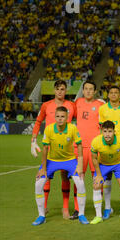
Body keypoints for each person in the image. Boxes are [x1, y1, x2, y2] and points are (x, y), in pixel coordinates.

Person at [32, 106, 88, 225]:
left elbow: (79, 145)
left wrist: (80, 165)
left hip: (69, 160)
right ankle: (41, 216)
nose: (60, 119)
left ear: (67, 117)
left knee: (80, 183)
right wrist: (43, 168)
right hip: (51, 161)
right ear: (54, 117)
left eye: (62, 116)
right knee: (38, 184)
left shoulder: (72, 128)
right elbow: (45, 149)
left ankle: (82, 214)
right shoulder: (49, 129)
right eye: (57, 116)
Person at [31, 80, 77, 219]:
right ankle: (44, 208)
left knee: (65, 176)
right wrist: (33, 139)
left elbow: (80, 120)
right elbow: (38, 121)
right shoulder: (46, 105)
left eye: (62, 89)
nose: (60, 92)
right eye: (58, 89)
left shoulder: (71, 105)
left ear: (66, 91)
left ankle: (65, 208)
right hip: (49, 146)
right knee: (45, 177)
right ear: (54, 90)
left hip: (66, 147)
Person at [98, 86, 120, 220]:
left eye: (116, 93)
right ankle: (108, 208)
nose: (113, 95)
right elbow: (101, 127)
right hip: (106, 149)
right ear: (108, 95)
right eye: (111, 92)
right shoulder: (103, 109)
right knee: (106, 181)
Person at [71, 80, 104, 219]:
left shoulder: (101, 105)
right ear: (83, 90)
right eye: (86, 89)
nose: (89, 91)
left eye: (91, 89)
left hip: (95, 148)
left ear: (95, 91)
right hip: (79, 147)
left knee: (97, 178)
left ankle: (99, 209)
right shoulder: (77, 103)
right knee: (78, 179)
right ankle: (78, 209)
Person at [90, 121, 120, 224]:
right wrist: (99, 175)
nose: (107, 134)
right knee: (96, 185)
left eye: (110, 131)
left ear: (114, 132)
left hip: (119, 164)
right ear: (101, 131)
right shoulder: (96, 142)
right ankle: (98, 216)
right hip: (103, 164)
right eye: (105, 131)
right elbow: (94, 159)